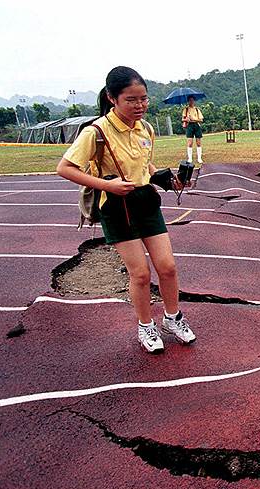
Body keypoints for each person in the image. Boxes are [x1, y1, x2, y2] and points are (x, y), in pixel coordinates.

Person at [56, 66, 196, 354]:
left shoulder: (146, 128)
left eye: (143, 99)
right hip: (117, 207)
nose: (140, 105)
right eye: (131, 100)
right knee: (141, 274)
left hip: (145, 202)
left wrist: (171, 180)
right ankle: (146, 325)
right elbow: (65, 168)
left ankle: (172, 318)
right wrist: (107, 186)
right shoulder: (95, 132)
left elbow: (145, 166)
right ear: (112, 98)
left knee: (167, 267)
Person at [182, 96, 203, 164]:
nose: (191, 102)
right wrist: (187, 119)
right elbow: (183, 119)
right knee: (190, 142)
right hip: (189, 125)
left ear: (194, 101)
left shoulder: (197, 109)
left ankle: (199, 158)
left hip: (196, 125)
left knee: (198, 142)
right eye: (190, 100)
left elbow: (201, 119)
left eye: (192, 100)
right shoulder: (186, 109)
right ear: (188, 101)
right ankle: (190, 158)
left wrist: (194, 119)